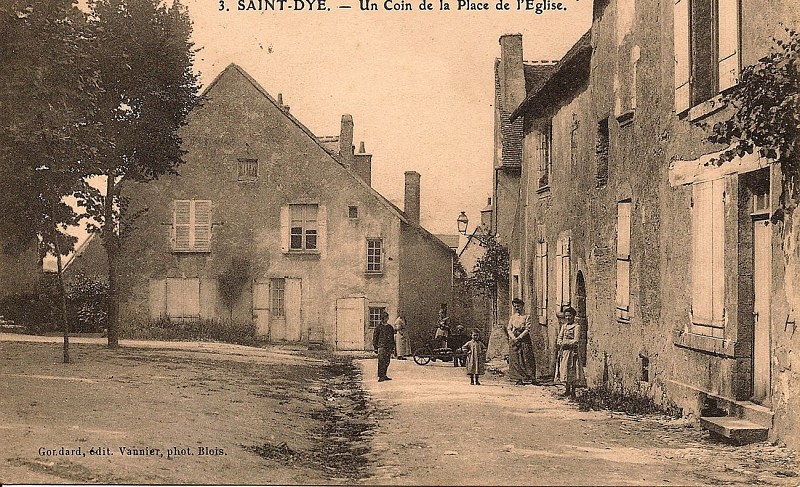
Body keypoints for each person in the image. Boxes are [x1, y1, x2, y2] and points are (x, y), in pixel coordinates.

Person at [554, 306, 584, 397]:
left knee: (573, 369)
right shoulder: (564, 326)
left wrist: (566, 343)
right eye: (566, 316)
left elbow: (576, 340)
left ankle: (573, 390)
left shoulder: (576, 326)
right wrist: (560, 343)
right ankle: (567, 389)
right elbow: (559, 338)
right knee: (564, 369)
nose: (568, 318)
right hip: (564, 352)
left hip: (572, 351)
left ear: (574, 316)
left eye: (570, 316)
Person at [507, 298, 537, 385]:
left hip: (524, 338)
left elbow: (528, 329)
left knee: (527, 357)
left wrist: (519, 337)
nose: (517, 308)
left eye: (518, 306)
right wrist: (513, 338)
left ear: (522, 306)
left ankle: (531, 377)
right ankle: (519, 378)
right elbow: (509, 328)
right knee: (516, 358)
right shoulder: (513, 317)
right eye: (515, 306)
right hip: (514, 339)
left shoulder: (527, 316)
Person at [373, 311, 396, 382]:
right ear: (382, 318)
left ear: (388, 318)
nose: (385, 319)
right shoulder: (378, 327)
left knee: (387, 361)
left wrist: (393, 347)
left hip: (388, 346)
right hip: (381, 346)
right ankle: (380, 376)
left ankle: (384, 375)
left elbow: (392, 338)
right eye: (383, 317)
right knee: (381, 361)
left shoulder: (390, 327)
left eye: (386, 317)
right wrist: (375, 347)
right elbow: (375, 337)